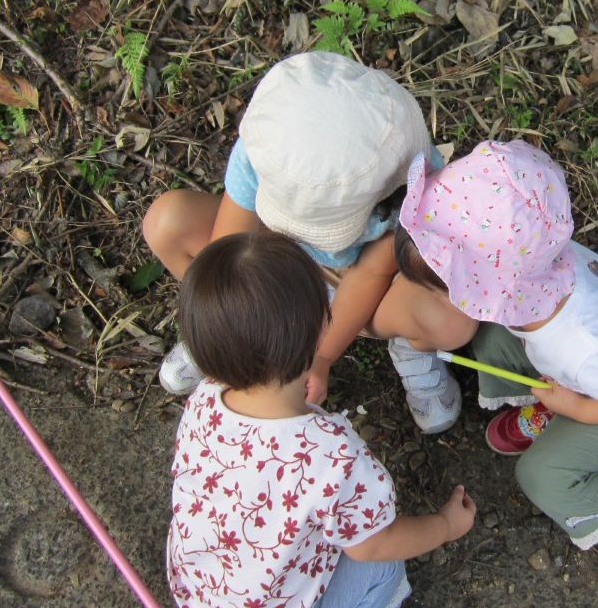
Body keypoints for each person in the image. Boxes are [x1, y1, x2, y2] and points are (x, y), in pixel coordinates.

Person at [395, 140, 598, 592]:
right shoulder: (531, 252)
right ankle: (557, 413)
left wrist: (582, 409)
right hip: (591, 373)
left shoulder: (590, 345)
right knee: (491, 336)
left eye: (446, 284)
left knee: (541, 476)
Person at [167, 231, 477, 608]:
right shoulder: (333, 457)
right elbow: (372, 546)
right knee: (382, 571)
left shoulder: (204, 400)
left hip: (199, 592)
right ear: (319, 330)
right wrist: (445, 525)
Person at [142, 51, 479, 434]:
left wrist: (322, 357)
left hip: (363, 281)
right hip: (271, 259)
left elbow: (370, 272)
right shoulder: (272, 145)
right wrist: (230, 323)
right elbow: (231, 249)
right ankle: (222, 328)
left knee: (452, 320)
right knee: (166, 222)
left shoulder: (408, 179)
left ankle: (409, 342)